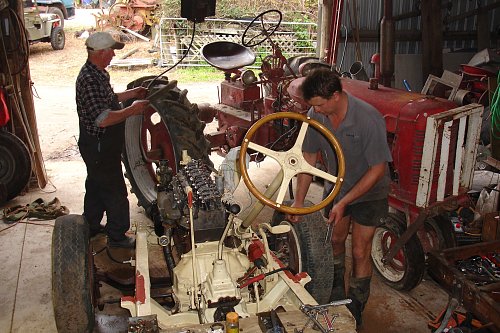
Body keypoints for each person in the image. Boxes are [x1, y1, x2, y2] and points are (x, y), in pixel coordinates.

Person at [288, 69, 392, 327]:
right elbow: (309, 159)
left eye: (320, 105)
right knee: (334, 240)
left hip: (371, 191)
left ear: (336, 95)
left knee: (359, 251)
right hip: (338, 188)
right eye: (313, 106)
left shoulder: (368, 118)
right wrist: (299, 203)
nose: (316, 110)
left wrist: (344, 202)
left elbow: (378, 168)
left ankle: (356, 307)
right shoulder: (316, 114)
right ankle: (335, 297)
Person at [76, 32, 150, 248]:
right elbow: (103, 119)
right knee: (114, 189)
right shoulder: (89, 79)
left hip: (100, 144)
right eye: (111, 52)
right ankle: (117, 236)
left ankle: (90, 225)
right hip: (98, 145)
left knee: (96, 184)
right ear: (100, 53)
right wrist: (132, 110)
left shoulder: (98, 73)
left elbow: (108, 99)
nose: (113, 56)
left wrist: (132, 93)